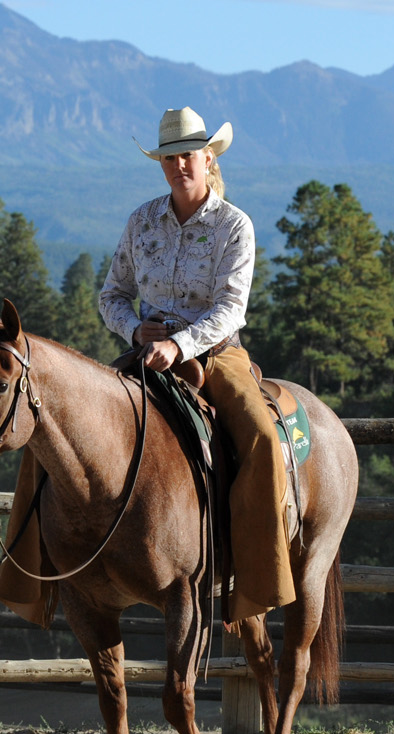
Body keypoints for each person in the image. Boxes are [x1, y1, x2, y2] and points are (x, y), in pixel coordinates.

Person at [98, 107, 296, 620]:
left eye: (188, 155)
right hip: (146, 349)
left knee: (260, 437)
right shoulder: (140, 222)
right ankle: (53, 564)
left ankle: (259, 576)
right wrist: (133, 330)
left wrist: (180, 346)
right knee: (66, 418)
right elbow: (111, 295)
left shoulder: (235, 225)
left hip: (216, 354)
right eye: (170, 158)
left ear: (208, 158)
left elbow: (232, 306)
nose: (179, 165)